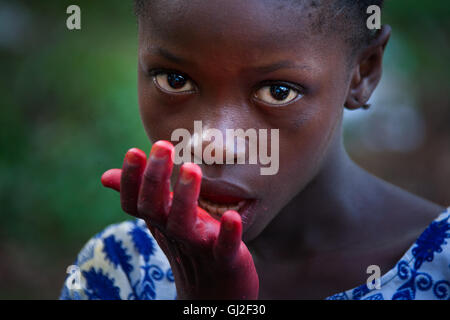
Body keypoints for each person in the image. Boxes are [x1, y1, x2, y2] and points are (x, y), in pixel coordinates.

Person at [60, 0, 450, 300]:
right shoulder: (116, 270)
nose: (213, 145)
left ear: (363, 72)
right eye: (174, 80)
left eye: (277, 91)